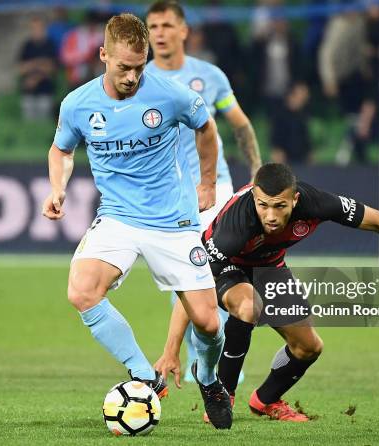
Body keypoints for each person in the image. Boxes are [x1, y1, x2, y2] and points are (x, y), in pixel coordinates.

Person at [155, 163, 379, 423]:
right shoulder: (234, 228)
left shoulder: (316, 202)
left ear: (294, 200)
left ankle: (265, 400)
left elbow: (378, 220)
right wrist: (171, 350)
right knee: (248, 307)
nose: (269, 215)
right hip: (229, 268)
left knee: (309, 347)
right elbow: (191, 283)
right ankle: (221, 396)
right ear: (254, 197)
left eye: (279, 206)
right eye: (263, 205)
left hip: (270, 267)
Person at [42, 13, 232, 429]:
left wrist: (207, 184)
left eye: (139, 67)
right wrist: (58, 187)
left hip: (173, 222)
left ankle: (210, 378)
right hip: (118, 218)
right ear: (103, 55)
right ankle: (145, 374)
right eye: (123, 67)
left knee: (208, 321)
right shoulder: (78, 103)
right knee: (81, 291)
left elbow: (206, 127)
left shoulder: (169, 94)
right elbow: (61, 150)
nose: (131, 76)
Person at [145, 0, 262, 383]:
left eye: (166, 25)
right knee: (185, 278)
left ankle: (210, 361)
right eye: (153, 27)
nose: (159, 33)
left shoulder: (209, 76)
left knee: (209, 270)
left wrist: (258, 171)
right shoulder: (139, 80)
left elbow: (240, 125)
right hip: (166, 196)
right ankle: (200, 358)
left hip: (216, 189)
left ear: (183, 31)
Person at [18, 17, 57, 121]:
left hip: (45, 90)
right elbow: (21, 68)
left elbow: (51, 68)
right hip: (28, 91)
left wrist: (35, 76)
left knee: (44, 119)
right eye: (34, 28)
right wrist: (39, 63)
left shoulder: (49, 45)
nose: (36, 30)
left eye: (39, 28)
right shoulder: (27, 46)